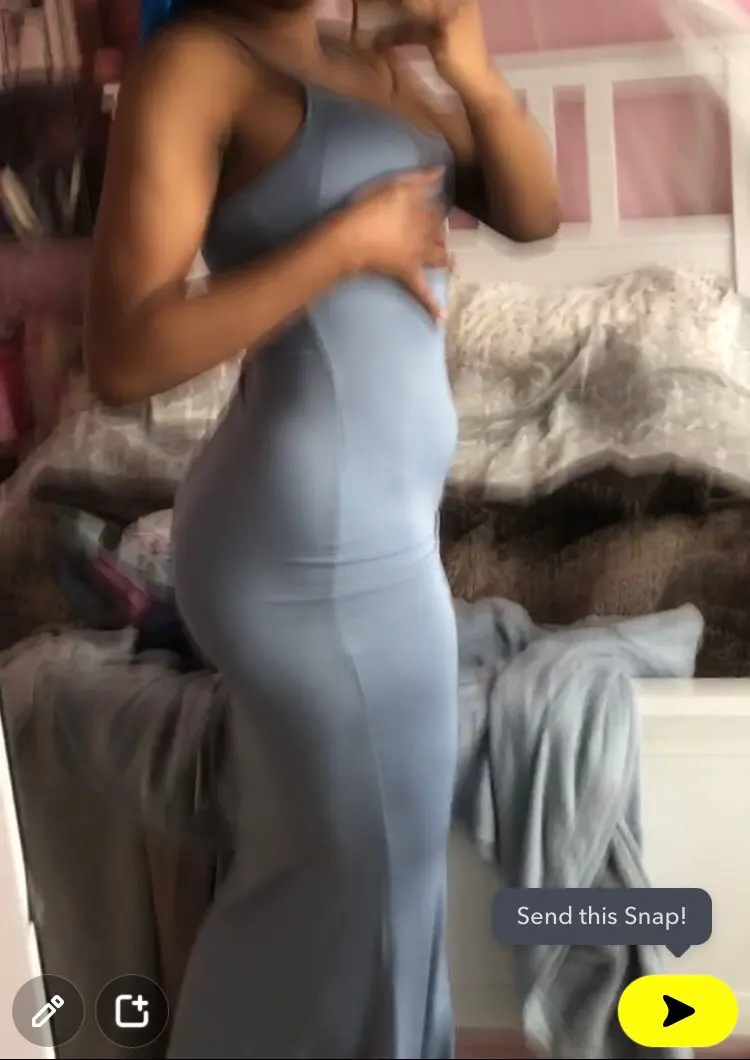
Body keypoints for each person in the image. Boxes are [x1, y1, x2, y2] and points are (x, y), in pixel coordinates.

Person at [84, 0, 558, 1056]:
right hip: (305, 544)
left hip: (385, 536)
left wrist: (470, 67)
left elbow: (533, 214)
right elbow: (121, 357)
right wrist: (344, 245)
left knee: (374, 885)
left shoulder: (367, 61)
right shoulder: (198, 63)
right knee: (346, 895)